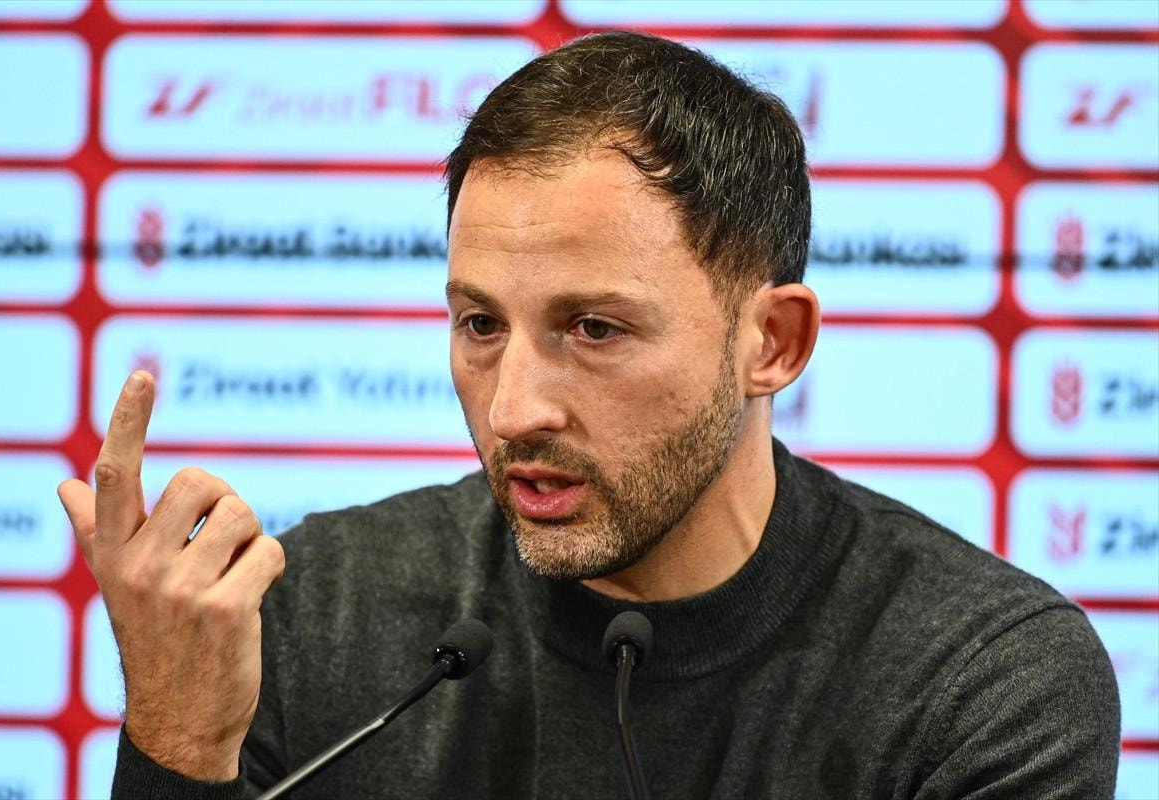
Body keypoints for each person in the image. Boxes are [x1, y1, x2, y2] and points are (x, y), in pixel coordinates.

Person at [59, 32, 1120, 799]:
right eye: (481, 323)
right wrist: (182, 744)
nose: (513, 407)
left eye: (595, 328)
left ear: (773, 342)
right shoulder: (313, 612)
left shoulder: (983, 680)